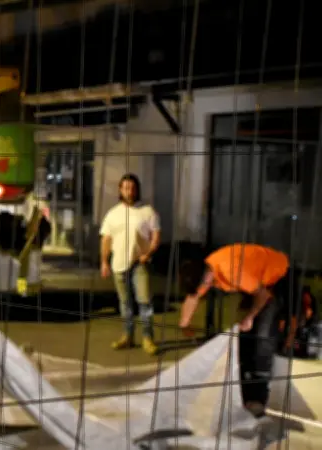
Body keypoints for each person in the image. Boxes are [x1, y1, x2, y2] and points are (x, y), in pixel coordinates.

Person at [178, 243, 293, 417]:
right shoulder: (205, 272)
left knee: (262, 337)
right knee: (242, 335)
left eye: (204, 283)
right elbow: (193, 297)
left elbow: (263, 296)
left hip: (277, 277)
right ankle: (242, 390)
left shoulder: (232, 270)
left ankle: (258, 398)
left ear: (207, 274)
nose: (205, 287)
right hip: (255, 280)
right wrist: (184, 323)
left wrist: (250, 316)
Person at [100, 173, 161, 355]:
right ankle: (127, 336)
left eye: (132, 188)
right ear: (120, 190)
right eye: (126, 188)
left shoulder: (148, 211)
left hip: (139, 263)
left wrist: (148, 254)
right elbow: (106, 239)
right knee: (125, 303)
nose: (129, 191)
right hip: (118, 263)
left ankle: (148, 338)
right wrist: (104, 262)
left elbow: (156, 237)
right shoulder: (112, 214)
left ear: (137, 190)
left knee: (144, 303)